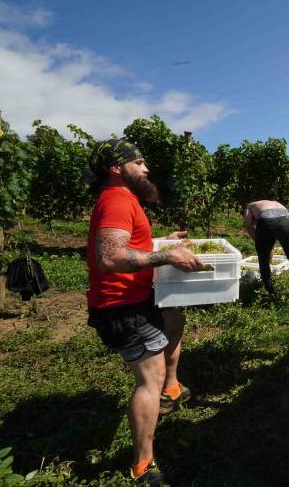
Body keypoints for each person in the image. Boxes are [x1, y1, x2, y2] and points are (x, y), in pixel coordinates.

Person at [84, 139, 205, 486]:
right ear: (116, 169)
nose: (146, 169)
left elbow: (126, 247)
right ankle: (143, 465)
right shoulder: (117, 199)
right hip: (121, 306)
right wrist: (167, 256)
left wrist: (163, 242)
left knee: (174, 319)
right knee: (146, 381)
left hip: (134, 299)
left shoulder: (121, 198)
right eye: (139, 163)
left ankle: (173, 387)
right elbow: (110, 257)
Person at [244, 200, 289, 307]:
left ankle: (271, 294)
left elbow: (248, 225)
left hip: (266, 219)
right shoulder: (273, 203)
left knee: (263, 260)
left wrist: (260, 243)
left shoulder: (249, 206)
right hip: (286, 219)